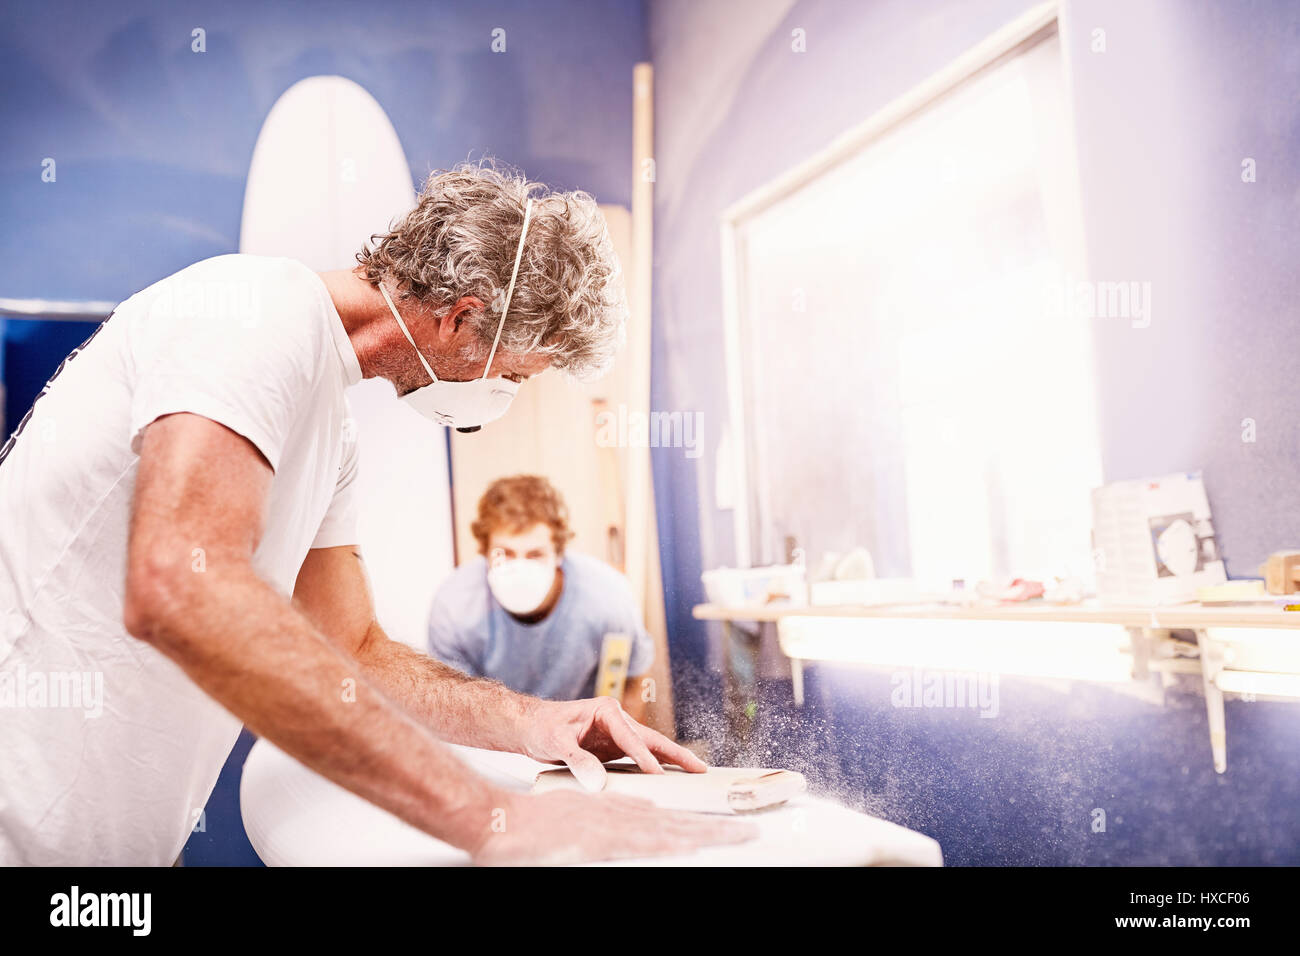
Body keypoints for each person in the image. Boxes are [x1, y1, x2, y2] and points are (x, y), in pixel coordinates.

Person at [0, 161, 753, 865]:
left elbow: (353, 646)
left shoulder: (329, 425)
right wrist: (495, 817)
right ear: (462, 319)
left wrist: (531, 723)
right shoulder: (249, 315)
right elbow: (182, 587)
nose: (503, 400)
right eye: (514, 376)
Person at [430, 475, 653, 720]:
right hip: (496, 740)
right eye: (504, 553)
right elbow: (454, 704)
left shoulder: (609, 598)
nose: (519, 569)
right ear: (484, 551)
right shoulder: (454, 607)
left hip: (582, 738)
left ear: (558, 553)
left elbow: (632, 680)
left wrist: (615, 748)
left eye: (535, 554)